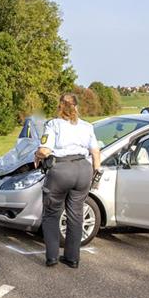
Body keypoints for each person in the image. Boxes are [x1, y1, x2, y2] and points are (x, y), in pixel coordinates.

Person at [35, 94, 101, 268]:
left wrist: (37, 154)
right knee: (76, 214)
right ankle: (72, 258)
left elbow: (45, 150)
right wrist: (95, 174)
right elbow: (95, 153)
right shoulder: (87, 126)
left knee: (51, 214)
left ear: (60, 107)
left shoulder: (53, 124)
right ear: (76, 107)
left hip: (62, 170)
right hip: (83, 169)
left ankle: (52, 257)